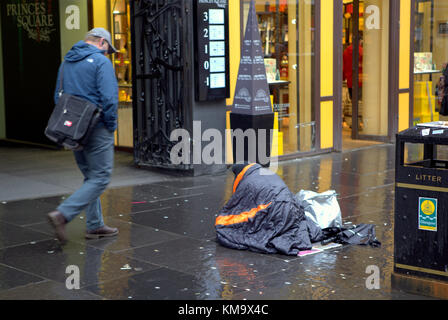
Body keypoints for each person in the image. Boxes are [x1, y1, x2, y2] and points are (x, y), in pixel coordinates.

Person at [47, 28, 119, 243]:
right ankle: (63, 214)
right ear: (103, 43)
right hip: (97, 127)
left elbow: (57, 96)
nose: (107, 54)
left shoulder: (66, 62)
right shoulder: (101, 62)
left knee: (90, 176)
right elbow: (109, 99)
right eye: (107, 49)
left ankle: (95, 225)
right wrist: (111, 125)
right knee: (101, 176)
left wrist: (71, 125)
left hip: (73, 129)